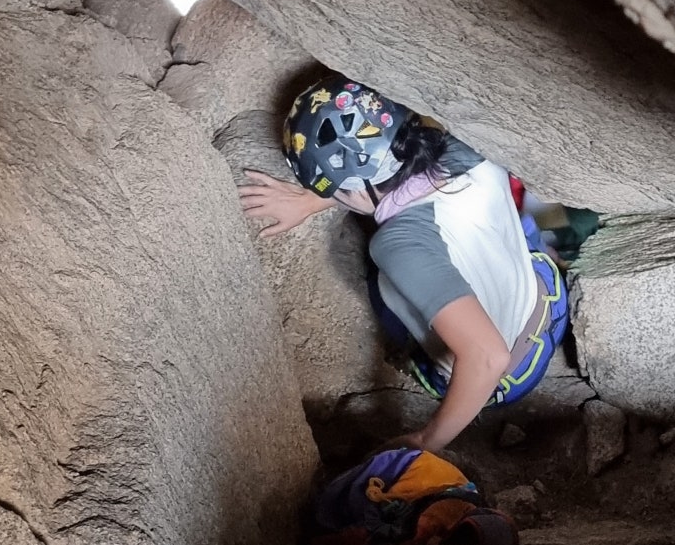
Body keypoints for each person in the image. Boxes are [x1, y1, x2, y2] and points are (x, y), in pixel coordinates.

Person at [238, 77, 569, 452]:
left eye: (331, 188)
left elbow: (489, 357)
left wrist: (428, 440)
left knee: (385, 285)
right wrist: (317, 200)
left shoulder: (398, 245)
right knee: (504, 227)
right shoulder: (462, 147)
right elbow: (391, 184)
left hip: (508, 377)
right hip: (547, 300)